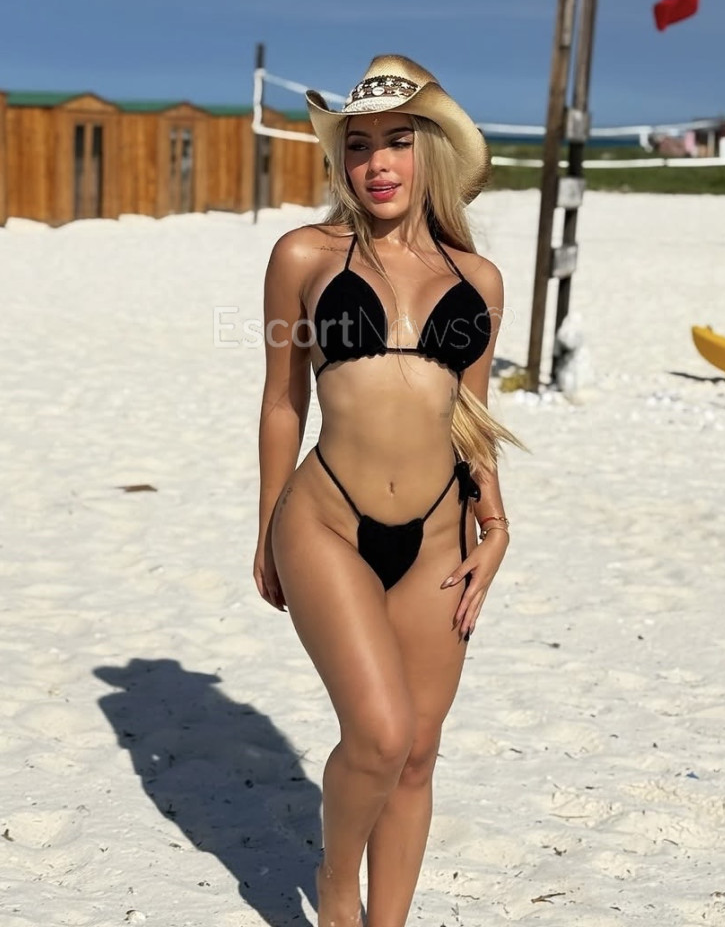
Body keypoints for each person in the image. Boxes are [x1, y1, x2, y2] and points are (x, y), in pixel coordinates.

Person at [254, 55, 521, 927]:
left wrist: (497, 521)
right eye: (359, 145)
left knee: (417, 753)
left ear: (430, 149)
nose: (377, 163)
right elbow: (282, 400)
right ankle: (338, 891)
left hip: (441, 536)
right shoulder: (304, 255)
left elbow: (472, 413)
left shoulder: (478, 280)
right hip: (326, 522)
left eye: (397, 142)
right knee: (377, 733)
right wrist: (266, 528)